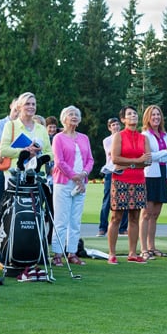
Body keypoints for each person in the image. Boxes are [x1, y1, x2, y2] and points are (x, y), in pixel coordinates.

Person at [107, 105, 152, 265]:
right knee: (116, 217)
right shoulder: (119, 136)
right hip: (120, 180)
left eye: (134, 114)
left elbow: (147, 160)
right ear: (123, 119)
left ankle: (132, 253)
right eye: (129, 114)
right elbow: (115, 159)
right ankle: (112, 253)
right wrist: (135, 162)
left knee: (134, 217)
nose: (133, 116)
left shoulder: (143, 138)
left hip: (138, 180)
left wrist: (132, 164)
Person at [50, 105, 94, 267]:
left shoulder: (84, 138)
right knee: (61, 220)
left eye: (76, 114)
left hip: (81, 183)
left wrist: (83, 174)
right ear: (64, 119)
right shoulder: (58, 138)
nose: (74, 117)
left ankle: (72, 252)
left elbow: (90, 160)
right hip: (63, 182)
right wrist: (74, 177)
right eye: (70, 114)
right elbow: (59, 161)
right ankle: (57, 254)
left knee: (75, 220)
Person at [139, 105, 167, 260]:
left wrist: (162, 155)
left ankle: (152, 246)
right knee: (146, 213)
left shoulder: (165, 135)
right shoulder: (145, 135)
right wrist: (165, 152)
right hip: (149, 175)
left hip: (162, 174)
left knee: (155, 214)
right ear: (148, 117)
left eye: (158, 115)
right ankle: (144, 248)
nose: (156, 117)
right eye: (153, 115)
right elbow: (148, 157)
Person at [0, 92, 53, 185]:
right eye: (27, 104)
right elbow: (3, 150)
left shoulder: (42, 129)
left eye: (33, 104)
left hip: (38, 176)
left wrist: (38, 155)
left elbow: (51, 154)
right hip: (15, 176)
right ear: (19, 107)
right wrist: (24, 151)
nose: (31, 106)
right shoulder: (10, 125)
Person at [97, 117, 128, 237]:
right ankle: (102, 227)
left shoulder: (124, 137)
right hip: (111, 170)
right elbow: (113, 153)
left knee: (124, 199)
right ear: (109, 128)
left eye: (117, 124)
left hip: (123, 169)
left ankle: (123, 227)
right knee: (107, 200)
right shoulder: (107, 140)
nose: (115, 127)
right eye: (113, 125)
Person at [0, 98, 18, 219]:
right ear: (10, 106)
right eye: (15, 109)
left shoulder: (22, 126)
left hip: (15, 166)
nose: (17, 112)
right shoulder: (0, 124)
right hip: (2, 165)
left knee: (12, 199)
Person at [44, 115, 59, 188]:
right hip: (47, 170)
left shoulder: (58, 138)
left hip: (56, 169)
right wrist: (49, 169)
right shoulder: (43, 138)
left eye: (54, 127)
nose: (52, 129)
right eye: (50, 127)